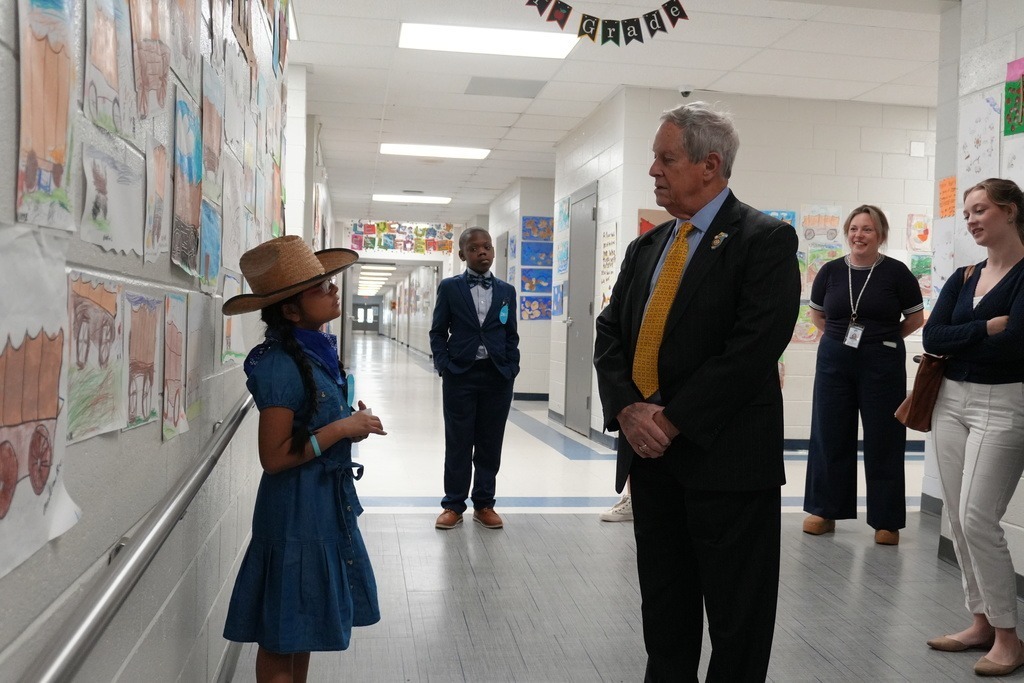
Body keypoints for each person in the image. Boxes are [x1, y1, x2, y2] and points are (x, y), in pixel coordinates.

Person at [593, 102, 800, 681]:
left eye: (666, 159)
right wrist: (629, 411)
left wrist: (671, 419)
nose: (654, 171)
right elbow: (611, 333)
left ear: (709, 165)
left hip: (727, 463)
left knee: (738, 621)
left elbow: (754, 348)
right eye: (653, 160)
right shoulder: (649, 246)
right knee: (665, 612)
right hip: (653, 466)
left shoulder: (765, 240)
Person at [221, 235, 387, 683]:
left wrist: (350, 420)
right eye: (322, 288)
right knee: (282, 634)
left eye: (331, 283)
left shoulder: (315, 353)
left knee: (304, 626)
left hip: (321, 508)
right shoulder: (280, 366)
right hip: (294, 515)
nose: (334, 291)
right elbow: (273, 458)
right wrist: (341, 429)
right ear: (291, 310)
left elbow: (311, 425)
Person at [923, 178, 1024, 677]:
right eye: (967, 213)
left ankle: (1009, 636)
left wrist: (967, 340)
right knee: (957, 519)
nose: (971, 220)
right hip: (950, 400)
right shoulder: (965, 276)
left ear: (1009, 212)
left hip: (1004, 403)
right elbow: (933, 334)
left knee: (979, 516)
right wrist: (986, 327)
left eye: (980, 210)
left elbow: (1019, 344)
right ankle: (981, 621)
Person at [802, 206, 924, 545]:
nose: (859, 235)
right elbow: (817, 316)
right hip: (833, 364)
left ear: (880, 235)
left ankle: (887, 520)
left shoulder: (897, 273)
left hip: (881, 363)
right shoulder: (829, 272)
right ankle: (825, 511)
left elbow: (915, 320)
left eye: (867, 229)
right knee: (829, 433)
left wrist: (880, 340)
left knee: (885, 437)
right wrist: (844, 340)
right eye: (854, 228)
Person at [429, 227, 520, 530]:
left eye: (487, 247)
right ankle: (453, 505)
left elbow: (510, 335)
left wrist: (510, 368)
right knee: (458, 442)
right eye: (474, 248)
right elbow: (438, 332)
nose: (482, 252)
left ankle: (484, 504)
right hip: (461, 375)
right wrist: (445, 365)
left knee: (490, 442)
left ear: (493, 251)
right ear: (462, 254)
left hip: (497, 376)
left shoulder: (507, 291)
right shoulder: (450, 288)